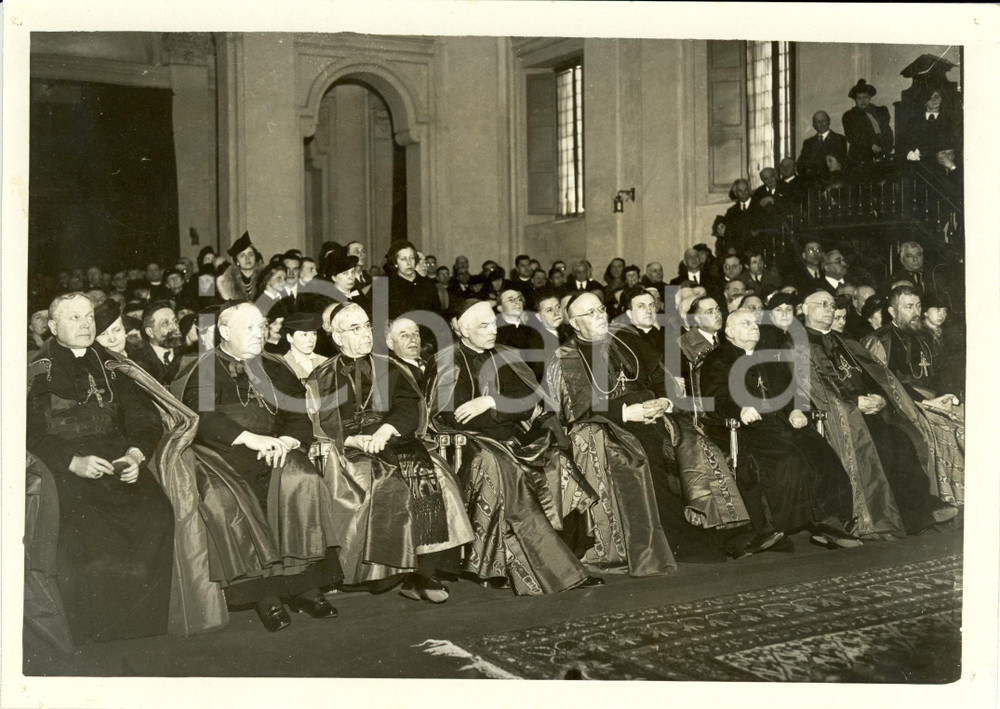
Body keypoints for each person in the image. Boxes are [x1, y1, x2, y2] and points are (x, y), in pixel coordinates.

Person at [174, 302, 343, 631]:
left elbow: (296, 412)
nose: (259, 334)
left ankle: (305, 586)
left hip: (277, 448)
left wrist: (290, 441)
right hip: (223, 454)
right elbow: (201, 418)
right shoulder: (202, 368)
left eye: (261, 327)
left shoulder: (273, 365)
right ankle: (265, 595)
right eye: (249, 328)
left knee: (304, 480)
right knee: (226, 501)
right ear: (224, 333)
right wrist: (249, 438)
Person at [26, 293, 175, 643]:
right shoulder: (38, 369)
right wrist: (72, 462)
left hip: (117, 456)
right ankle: (96, 630)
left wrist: (136, 455)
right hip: (61, 463)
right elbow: (28, 431)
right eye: (74, 318)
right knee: (85, 523)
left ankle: (140, 625)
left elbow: (142, 416)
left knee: (157, 513)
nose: (85, 324)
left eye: (89, 317)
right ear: (52, 326)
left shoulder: (112, 364)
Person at [429, 300, 598, 592]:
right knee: (504, 469)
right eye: (484, 326)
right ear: (463, 330)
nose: (493, 330)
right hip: (473, 443)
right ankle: (546, 569)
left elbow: (532, 400)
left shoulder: (508, 355)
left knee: (559, 461)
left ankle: (571, 554)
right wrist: (505, 410)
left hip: (513, 435)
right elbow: (451, 415)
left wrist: (491, 401)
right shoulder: (447, 361)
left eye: (494, 323)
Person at [310, 303, 473, 602]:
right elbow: (320, 422)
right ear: (337, 338)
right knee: (384, 483)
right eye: (355, 329)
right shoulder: (321, 375)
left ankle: (424, 571)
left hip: (392, 438)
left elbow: (408, 405)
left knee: (437, 475)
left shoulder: (391, 366)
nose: (365, 334)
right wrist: (355, 441)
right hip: (348, 449)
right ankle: (387, 573)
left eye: (367, 326)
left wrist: (386, 431)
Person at [798, 290, 958, 536]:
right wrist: (854, 403)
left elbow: (875, 375)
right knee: (881, 446)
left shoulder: (846, 341)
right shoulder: (798, 345)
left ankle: (921, 507)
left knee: (903, 440)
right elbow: (813, 389)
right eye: (823, 304)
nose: (830, 309)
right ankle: (903, 516)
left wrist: (882, 398)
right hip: (838, 415)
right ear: (804, 309)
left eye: (832, 304)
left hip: (871, 410)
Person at [699, 310, 858, 546]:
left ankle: (831, 520)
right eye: (746, 323)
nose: (754, 327)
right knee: (788, 457)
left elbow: (791, 390)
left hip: (782, 422)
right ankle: (787, 525)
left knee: (820, 450)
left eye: (755, 323)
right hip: (747, 427)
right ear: (729, 332)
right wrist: (739, 410)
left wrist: (797, 410)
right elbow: (715, 397)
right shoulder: (718, 359)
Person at [126, 300, 184, 385]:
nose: (175, 327)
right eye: (165, 324)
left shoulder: (187, 353)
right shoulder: (138, 362)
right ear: (150, 332)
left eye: (175, 321)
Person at [384, 240, 441, 320]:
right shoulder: (384, 286)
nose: (409, 263)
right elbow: (379, 324)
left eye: (412, 258)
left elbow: (438, 316)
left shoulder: (428, 284)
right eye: (403, 259)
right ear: (395, 263)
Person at [842, 80, 894, 165]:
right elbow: (852, 136)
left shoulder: (880, 112)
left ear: (870, 98)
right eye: (859, 98)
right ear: (855, 99)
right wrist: (870, 145)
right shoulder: (850, 116)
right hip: (860, 156)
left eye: (865, 97)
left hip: (881, 154)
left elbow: (887, 130)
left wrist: (887, 147)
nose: (863, 101)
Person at [796, 111, 848, 182]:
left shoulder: (839, 139)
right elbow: (801, 164)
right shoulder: (808, 143)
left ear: (829, 121)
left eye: (824, 120)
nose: (821, 123)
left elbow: (841, 162)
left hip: (832, 182)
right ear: (814, 125)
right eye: (818, 121)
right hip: (812, 184)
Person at [281, 311, 328, 382]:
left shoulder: (326, 362)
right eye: (304, 335)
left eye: (314, 333)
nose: (311, 340)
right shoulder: (282, 366)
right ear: (290, 337)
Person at [217, 232, 262, 302]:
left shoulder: (265, 277)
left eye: (250, 254)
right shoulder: (228, 282)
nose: (247, 258)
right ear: (237, 261)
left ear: (255, 257)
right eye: (242, 256)